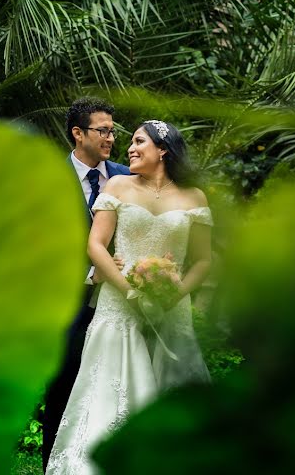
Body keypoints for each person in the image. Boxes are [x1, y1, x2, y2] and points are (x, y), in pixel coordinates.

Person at [46, 120, 212, 475]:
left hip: (171, 309)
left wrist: (176, 293)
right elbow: (95, 245)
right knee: (107, 393)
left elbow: (203, 260)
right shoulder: (118, 186)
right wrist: (130, 291)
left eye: (139, 142)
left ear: (163, 149)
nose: (129, 148)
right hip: (118, 307)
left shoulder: (194, 198)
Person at [42, 97, 131, 471]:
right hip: (67, 310)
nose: (111, 137)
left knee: (115, 394)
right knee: (62, 394)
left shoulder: (128, 177)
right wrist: (89, 276)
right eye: (103, 130)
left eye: (113, 130)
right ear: (78, 134)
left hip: (121, 308)